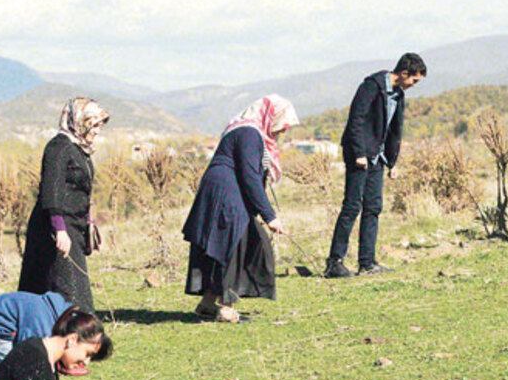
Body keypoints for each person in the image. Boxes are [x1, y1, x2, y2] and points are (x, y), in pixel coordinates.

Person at [182, 95, 297, 322]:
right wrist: (270, 216)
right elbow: (249, 177)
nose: (282, 131)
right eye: (281, 123)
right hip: (226, 193)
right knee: (236, 246)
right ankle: (225, 308)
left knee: (228, 244)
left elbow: (251, 176)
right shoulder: (249, 133)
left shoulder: (249, 132)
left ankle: (207, 304)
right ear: (270, 116)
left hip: (226, 191)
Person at [325, 53, 426, 278]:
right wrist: (359, 153)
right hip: (359, 155)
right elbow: (356, 120)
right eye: (414, 80)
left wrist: (392, 161)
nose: (414, 85)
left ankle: (367, 263)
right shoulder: (371, 87)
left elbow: (394, 129)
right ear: (403, 73)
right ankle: (334, 262)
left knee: (373, 207)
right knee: (352, 207)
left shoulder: (398, 94)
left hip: (377, 157)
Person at [18, 98, 110, 314]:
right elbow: (52, 190)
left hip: (74, 227)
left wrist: (89, 226)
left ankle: (61, 337)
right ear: (80, 121)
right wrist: (59, 229)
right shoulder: (58, 148)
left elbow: (82, 191)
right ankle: (78, 336)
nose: (97, 131)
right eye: (94, 125)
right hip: (54, 228)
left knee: (61, 286)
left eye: (99, 126)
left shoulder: (79, 150)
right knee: (69, 289)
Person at [0, 292, 92, 374]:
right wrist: (52, 367)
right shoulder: (41, 326)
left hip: (7, 319)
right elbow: (28, 348)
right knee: (18, 368)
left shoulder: (56, 312)